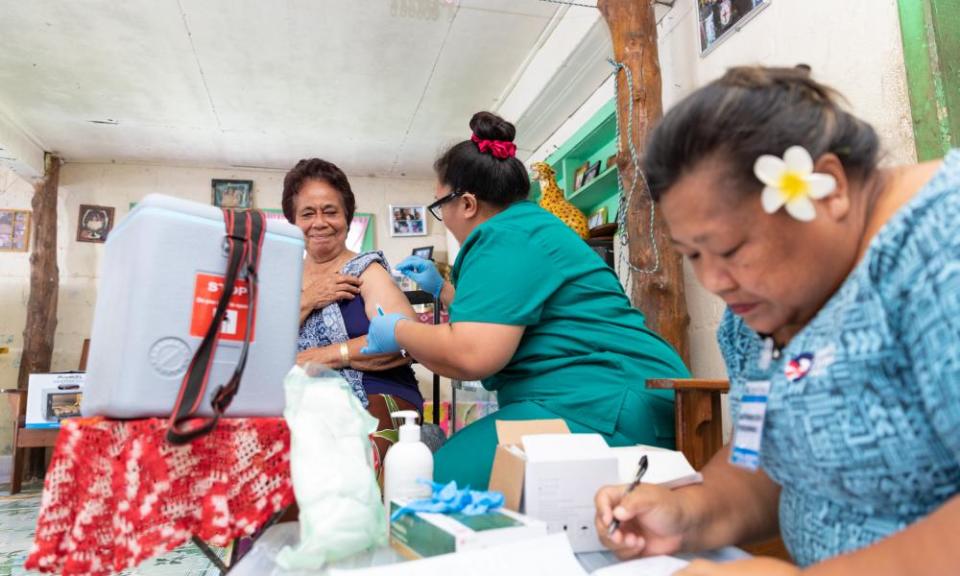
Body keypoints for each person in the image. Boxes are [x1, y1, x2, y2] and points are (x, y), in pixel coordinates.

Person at [593, 66, 960, 575]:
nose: (715, 281)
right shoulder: (759, 312)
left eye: (731, 248)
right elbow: (767, 464)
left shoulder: (942, 247)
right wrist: (686, 513)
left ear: (827, 188)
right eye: (692, 255)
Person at [361, 112, 690, 489]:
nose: (444, 218)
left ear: (467, 203)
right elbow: (508, 313)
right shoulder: (526, 228)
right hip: (603, 395)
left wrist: (399, 330)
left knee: (437, 484)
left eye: (440, 207)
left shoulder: (504, 237)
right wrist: (444, 292)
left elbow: (472, 353)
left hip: (607, 402)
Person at [283, 158, 424, 469]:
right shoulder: (282, 277)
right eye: (307, 213)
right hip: (300, 400)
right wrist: (308, 300)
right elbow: (260, 347)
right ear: (293, 221)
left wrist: (327, 355)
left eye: (330, 211)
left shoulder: (367, 271)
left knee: (344, 459)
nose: (319, 222)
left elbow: (409, 339)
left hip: (377, 395)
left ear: (347, 217)